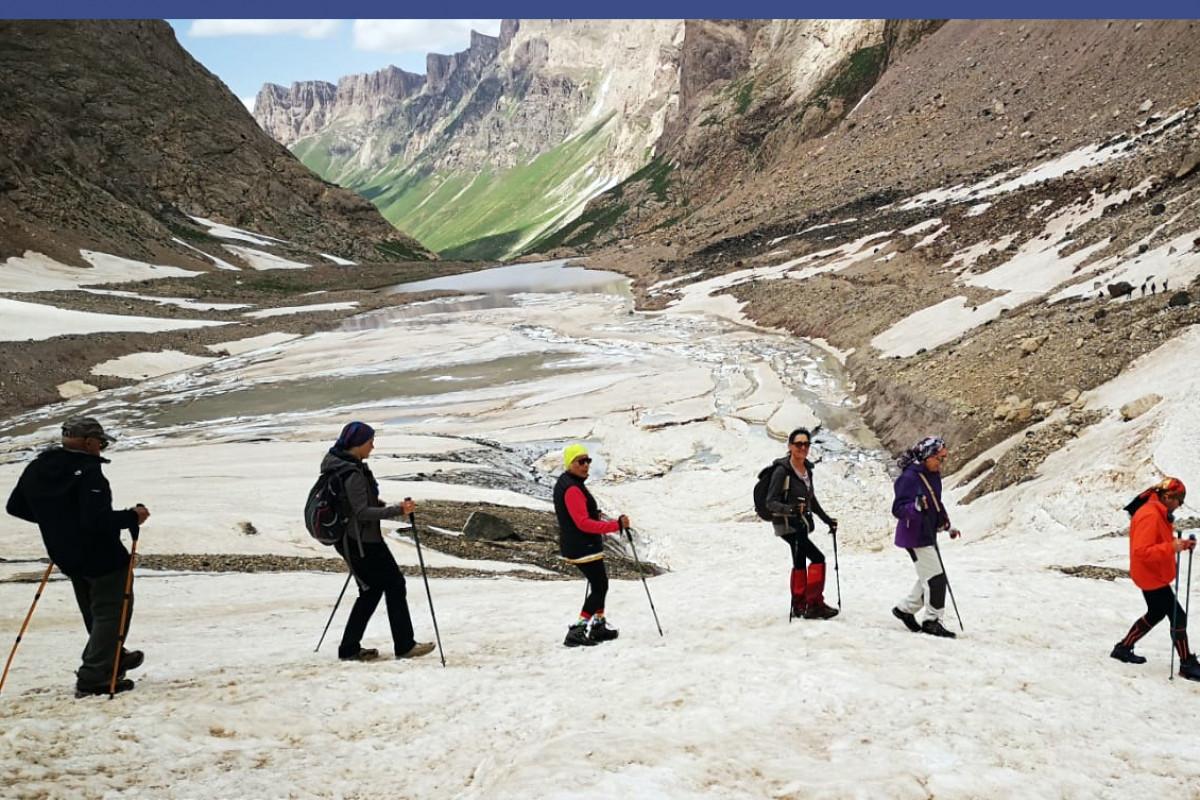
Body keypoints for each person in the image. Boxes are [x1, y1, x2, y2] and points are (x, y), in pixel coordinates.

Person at [5, 417, 150, 696]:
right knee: (111, 611)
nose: (102, 447)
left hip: (65, 554)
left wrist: (57, 523)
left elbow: (15, 506)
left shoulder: (39, 466)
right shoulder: (88, 471)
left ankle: (111, 657)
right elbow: (96, 521)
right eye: (101, 442)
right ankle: (94, 675)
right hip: (101, 556)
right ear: (88, 442)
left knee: (93, 609)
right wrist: (133, 516)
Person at [321, 421, 434, 662]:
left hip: (355, 540)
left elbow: (356, 506)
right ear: (357, 444)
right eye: (369, 441)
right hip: (362, 542)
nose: (373, 445)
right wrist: (397, 510)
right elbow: (361, 512)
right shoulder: (351, 472)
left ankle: (350, 648)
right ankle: (404, 645)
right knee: (394, 585)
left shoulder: (343, 466)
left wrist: (385, 508)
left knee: (372, 591)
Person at [1110, 477, 1200, 680]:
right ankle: (1186, 664)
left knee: (1157, 612)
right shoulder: (1150, 515)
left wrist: (1182, 544)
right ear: (1168, 497)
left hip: (1150, 573)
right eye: (1180, 501)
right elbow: (1142, 551)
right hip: (1150, 574)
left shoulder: (1157, 512)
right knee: (1178, 615)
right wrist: (1172, 547)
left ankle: (1123, 648)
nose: (1179, 506)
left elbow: (1159, 540)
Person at [554, 443, 629, 647]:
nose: (586, 465)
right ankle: (579, 629)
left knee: (599, 584)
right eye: (581, 461)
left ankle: (598, 626)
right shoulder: (572, 488)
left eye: (588, 461)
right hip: (582, 546)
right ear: (570, 463)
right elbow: (582, 523)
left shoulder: (569, 482)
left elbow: (580, 516)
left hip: (579, 544)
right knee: (600, 585)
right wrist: (614, 526)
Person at [765, 428, 839, 619]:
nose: (803, 448)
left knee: (799, 560)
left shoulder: (807, 469)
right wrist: (791, 509)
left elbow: (811, 500)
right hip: (788, 526)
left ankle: (800, 605)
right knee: (818, 558)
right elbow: (770, 502)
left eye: (806, 444)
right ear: (790, 446)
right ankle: (813, 604)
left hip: (800, 524)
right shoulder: (782, 471)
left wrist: (827, 520)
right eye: (799, 444)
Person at [890, 435, 960, 638]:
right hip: (915, 536)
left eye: (944, 458)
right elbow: (898, 509)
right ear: (928, 455)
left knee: (927, 577)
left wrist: (947, 525)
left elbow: (936, 503)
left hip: (928, 532)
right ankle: (932, 620)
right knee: (936, 579)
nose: (942, 463)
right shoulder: (909, 478)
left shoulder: (932, 474)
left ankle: (904, 610)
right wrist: (915, 507)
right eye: (940, 458)